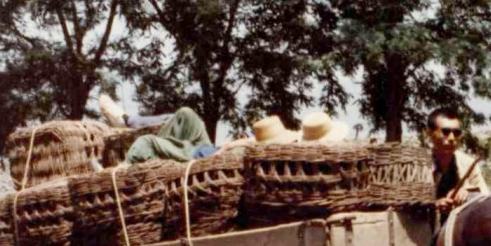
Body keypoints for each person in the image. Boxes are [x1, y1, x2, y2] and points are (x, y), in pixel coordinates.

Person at [98, 93, 348, 164]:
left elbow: (226, 153)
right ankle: (129, 120)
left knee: (146, 144)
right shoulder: (289, 144)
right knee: (186, 114)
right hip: (206, 148)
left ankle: (121, 171)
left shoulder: (272, 159)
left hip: (196, 158)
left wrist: (233, 145)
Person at [427, 108, 489, 214]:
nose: (452, 138)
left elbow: (485, 195)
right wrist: (435, 205)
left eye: (456, 133)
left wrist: (468, 192)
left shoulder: (469, 163)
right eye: (445, 132)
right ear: (431, 134)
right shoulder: (417, 165)